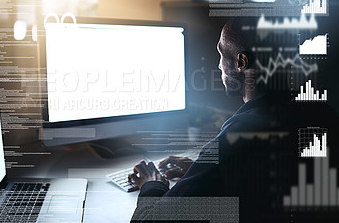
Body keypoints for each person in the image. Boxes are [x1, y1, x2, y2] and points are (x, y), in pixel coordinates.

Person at [128, 18, 339, 222]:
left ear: (241, 62)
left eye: (221, 53)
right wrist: (204, 175)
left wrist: (152, 184)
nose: (219, 65)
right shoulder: (323, 114)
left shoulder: (239, 137)